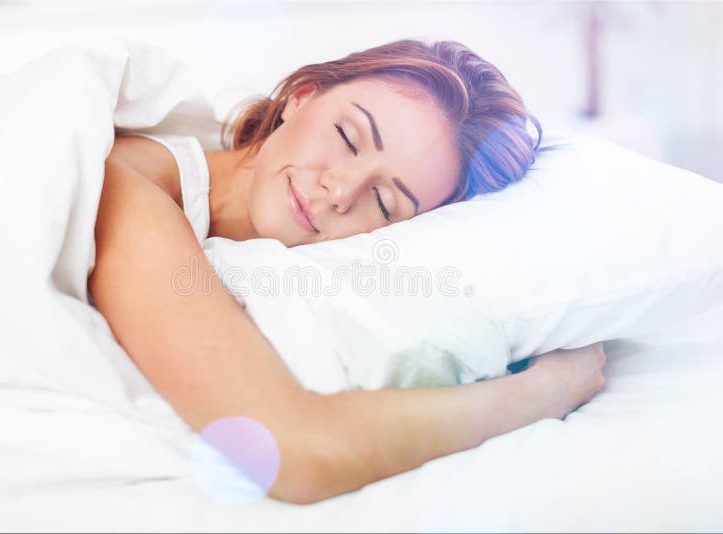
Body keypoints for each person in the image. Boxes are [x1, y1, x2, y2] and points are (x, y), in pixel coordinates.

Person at [88, 39, 606, 505]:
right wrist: (545, 394)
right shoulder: (131, 188)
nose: (340, 189)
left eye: (383, 202)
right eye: (348, 136)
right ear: (301, 97)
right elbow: (292, 452)